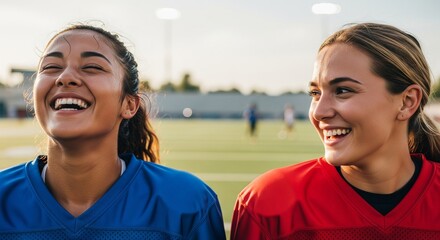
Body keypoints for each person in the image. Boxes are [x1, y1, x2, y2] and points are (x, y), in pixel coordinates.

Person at [0, 24, 226, 239]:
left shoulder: (186, 204)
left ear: (129, 105)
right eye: (51, 67)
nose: (65, 77)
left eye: (92, 67)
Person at [230, 22, 440, 239]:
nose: (319, 112)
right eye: (315, 93)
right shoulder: (268, 201)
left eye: (342, 91)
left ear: (407, 102)